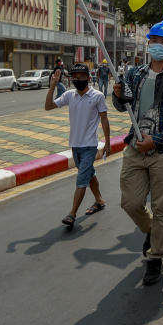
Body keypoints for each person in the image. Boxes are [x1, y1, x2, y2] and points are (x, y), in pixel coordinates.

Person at [113, 21, 163, 285]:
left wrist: (156, 140)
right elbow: (121, 105)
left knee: (162, 205)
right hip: (135, 147)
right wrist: (117, 95)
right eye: (154, 40)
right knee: (131, 203)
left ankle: (156, 256)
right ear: (149, 43)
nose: (158, 45)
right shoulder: (134, 74)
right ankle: (151, 230)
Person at [45, 63, 111, 227]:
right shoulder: (69, 95)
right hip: (75, 145)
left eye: (81, 76)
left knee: (81, 178)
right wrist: (53, 86)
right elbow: (48, 107)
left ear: (88, 78)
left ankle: (72, 213)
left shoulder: (97, 96)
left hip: (90, 145)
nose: (78, 79)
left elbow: (104, 119)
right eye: (75, 77)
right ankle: (99, 200)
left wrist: (107, 142)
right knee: (89, 174)